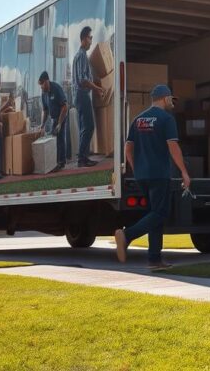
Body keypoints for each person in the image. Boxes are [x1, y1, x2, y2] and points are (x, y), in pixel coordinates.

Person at [114, 85, 191, 271]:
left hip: (142, 176)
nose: (172, 103)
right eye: (171, 99)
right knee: (160, 213)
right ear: (164, 99)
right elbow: (173, 147)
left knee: (154, 215)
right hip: (159, 174)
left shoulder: (138, 120)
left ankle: (154, 259)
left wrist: (135, 167)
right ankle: (126, 235)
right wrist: (184, 172)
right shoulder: (166, 119)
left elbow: (128, 148)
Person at [72, 26, 105, 168]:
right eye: (90, 38)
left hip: (79, 96)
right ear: (84, 38)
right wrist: (98, 89)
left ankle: (83, 158)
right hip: (82, 95)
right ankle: (82, 158)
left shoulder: (80, 56)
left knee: (84, 128)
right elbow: (82, 80)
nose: (91, 41)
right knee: (89, 126)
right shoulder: (81, 56)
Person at [38, 71, 69, 173]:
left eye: (42, 85)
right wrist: (42, 125)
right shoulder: (44, 94)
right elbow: (45, 110)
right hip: (53, 118)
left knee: (59, 137)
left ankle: (61, 162)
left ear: (47, 81)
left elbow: (65, 106)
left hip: (61, 115)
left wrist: (60, 123)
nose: (41, 87)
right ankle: (55, 161)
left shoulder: (56, 88)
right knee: (53, 138)